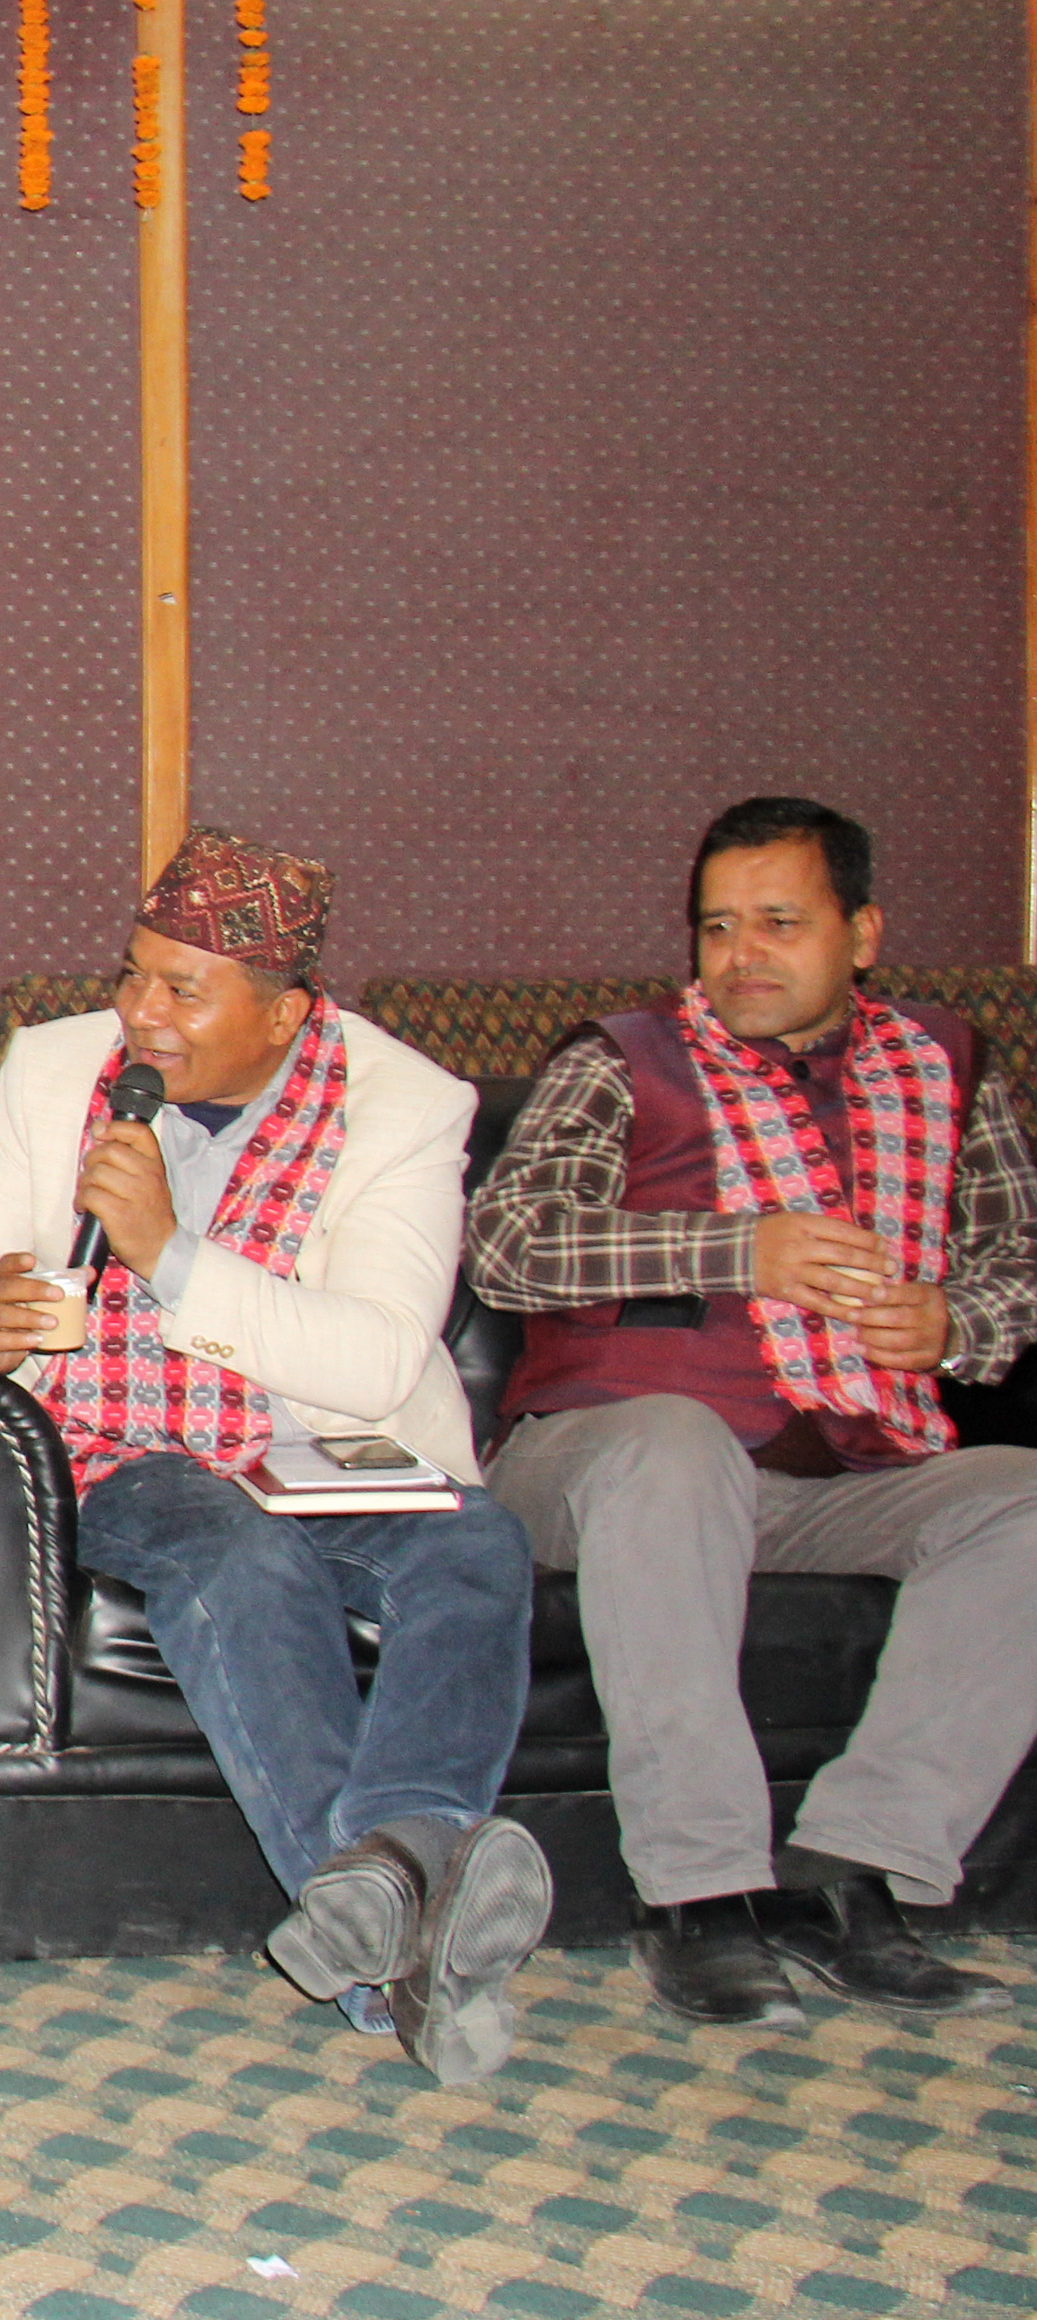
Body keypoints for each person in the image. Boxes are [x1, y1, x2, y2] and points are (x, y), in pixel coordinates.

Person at [0, 829, 551, 2086]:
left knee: (478, 1543)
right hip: (121, 1447)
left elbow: (379, 1359)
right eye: (133, 974)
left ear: (285, 1014)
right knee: (236, 1553)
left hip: (319, 1442)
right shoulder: (60, 1066)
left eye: (184, 990)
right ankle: (401, 1915)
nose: (140, 1013)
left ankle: (394, 1870)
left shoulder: (405, 1105)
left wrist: (171, 1255)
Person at [470, 797, 1034, 2029]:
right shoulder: (621, 1061)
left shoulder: (949, 1067)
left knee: (1027, 1504)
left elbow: (1016, 1262)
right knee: (674, 1445)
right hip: (602, 1459)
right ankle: (699, 1892)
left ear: (863, 933)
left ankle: (852, 1872)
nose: (741, 955)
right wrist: (736, 1249)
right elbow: (509, 1244)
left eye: (780, 922)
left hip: (845, 1465)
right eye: (718, 926)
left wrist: (955, 1320)